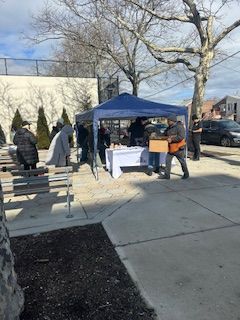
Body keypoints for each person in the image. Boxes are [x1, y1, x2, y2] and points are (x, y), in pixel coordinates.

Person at [159, 114, 189, 180]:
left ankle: (186, 174)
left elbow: (181, 137)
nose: (167, 122)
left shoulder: (179, 127)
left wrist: (172, 139)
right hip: (171, 148)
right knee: (167, 161)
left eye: (168, 121)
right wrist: (158, 135)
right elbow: (164, 134)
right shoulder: (169, 127)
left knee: (182, 161)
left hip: (179, 148)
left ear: (172, 121)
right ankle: (167, 176)